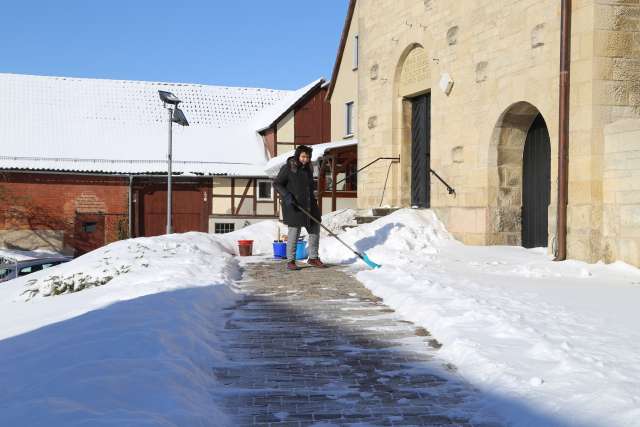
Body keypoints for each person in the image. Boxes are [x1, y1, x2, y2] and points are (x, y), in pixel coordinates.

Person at [273, 145, 327, 271]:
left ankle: (313, 258)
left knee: (315, 227)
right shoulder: (288, 168)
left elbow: (307, 187)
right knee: (294, 232)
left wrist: (313, 195)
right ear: (298, 156)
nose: (305, 159)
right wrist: (287, 195)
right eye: (303, 156)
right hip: (294, 205)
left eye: (308, 157)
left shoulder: (308, 169)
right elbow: (277, 184)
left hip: (309, 205)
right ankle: (290, 260)